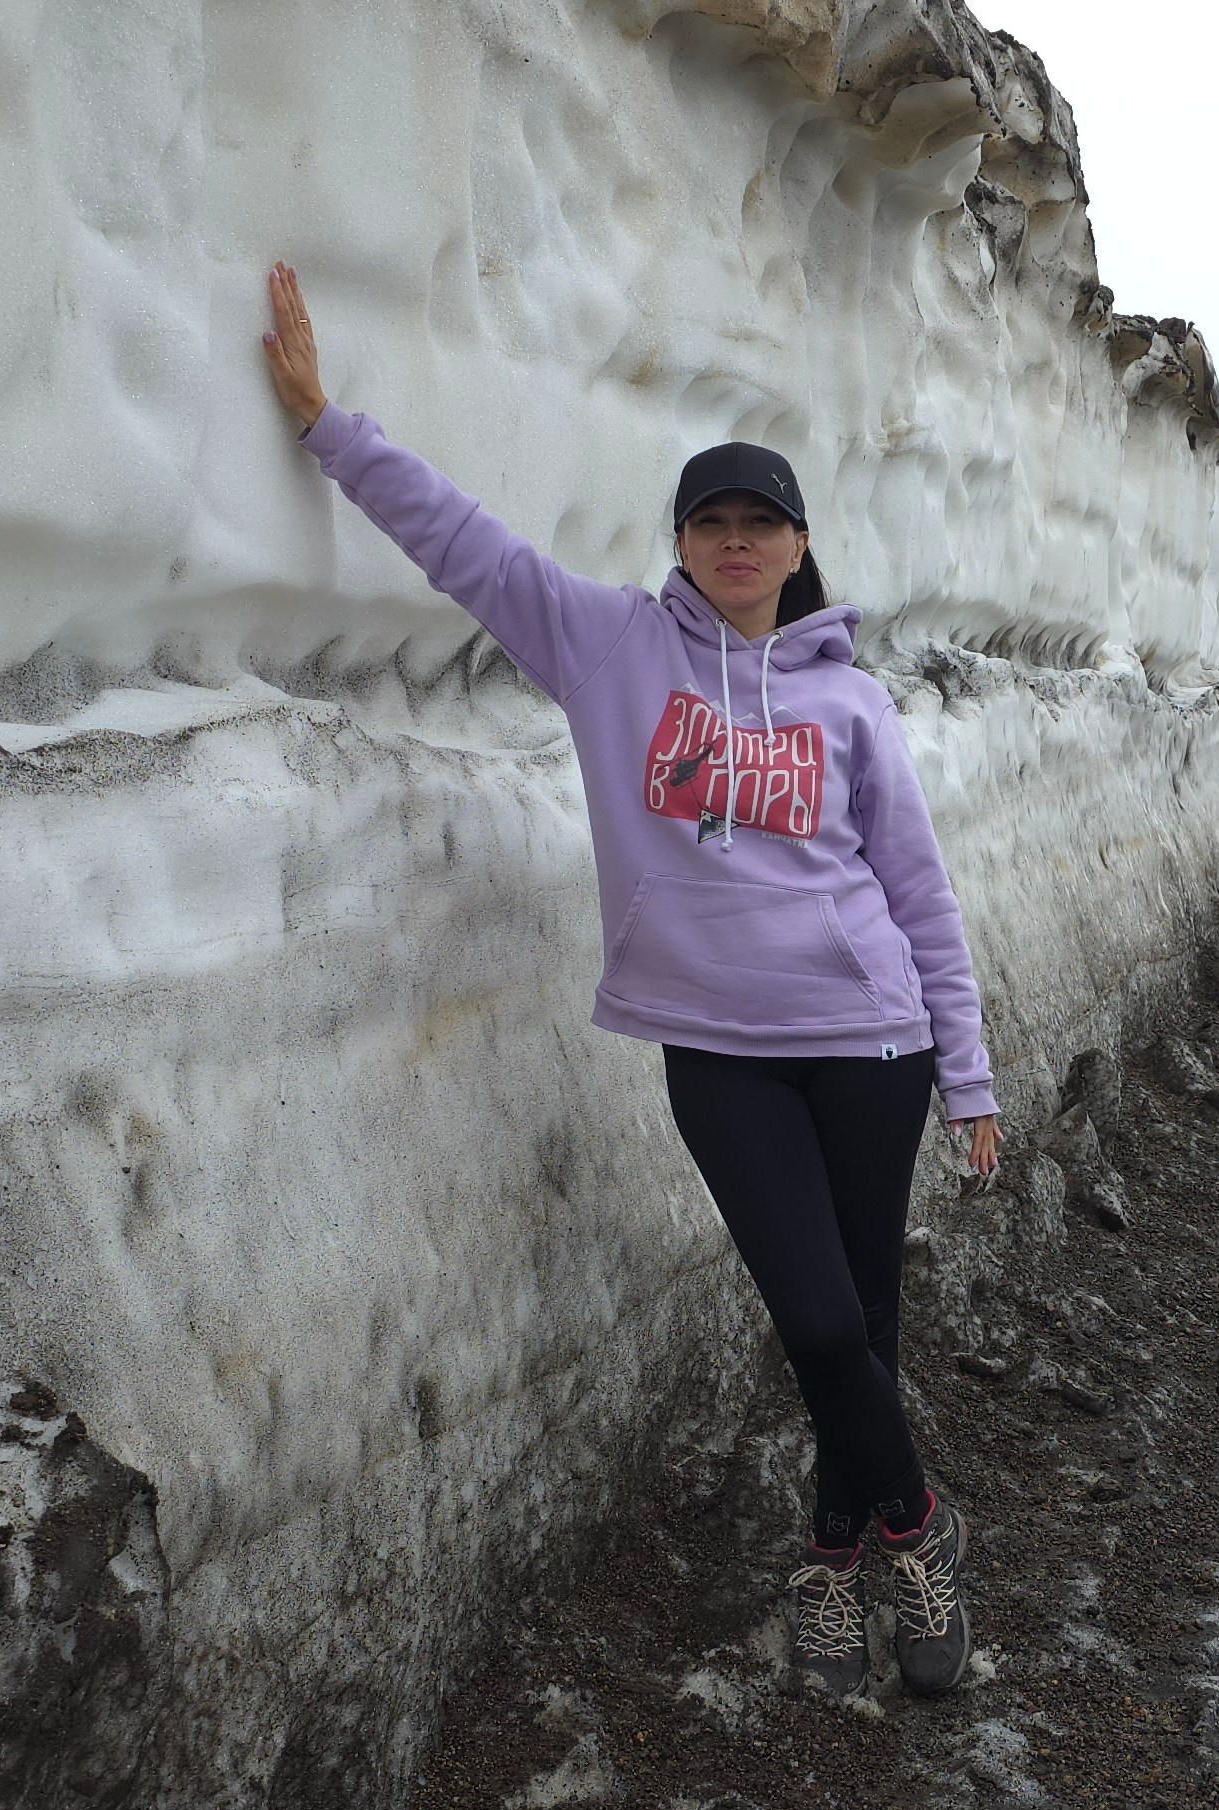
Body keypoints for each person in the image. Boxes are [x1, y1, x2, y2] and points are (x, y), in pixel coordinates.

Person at [260, 259, 998, 1705]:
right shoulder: (608, 647)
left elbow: (916, 893)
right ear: (679, 542)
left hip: (872, 1045)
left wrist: (964, 1067)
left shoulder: (852, 703)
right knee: (819, 1320)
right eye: (711, 521)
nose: (736, 541)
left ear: (798, 546)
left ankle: (833, 1558)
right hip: (714, 1050)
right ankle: (922, 1527)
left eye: (761, 521)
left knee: (869, 1322)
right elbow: (463, 547)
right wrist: (322, 425)